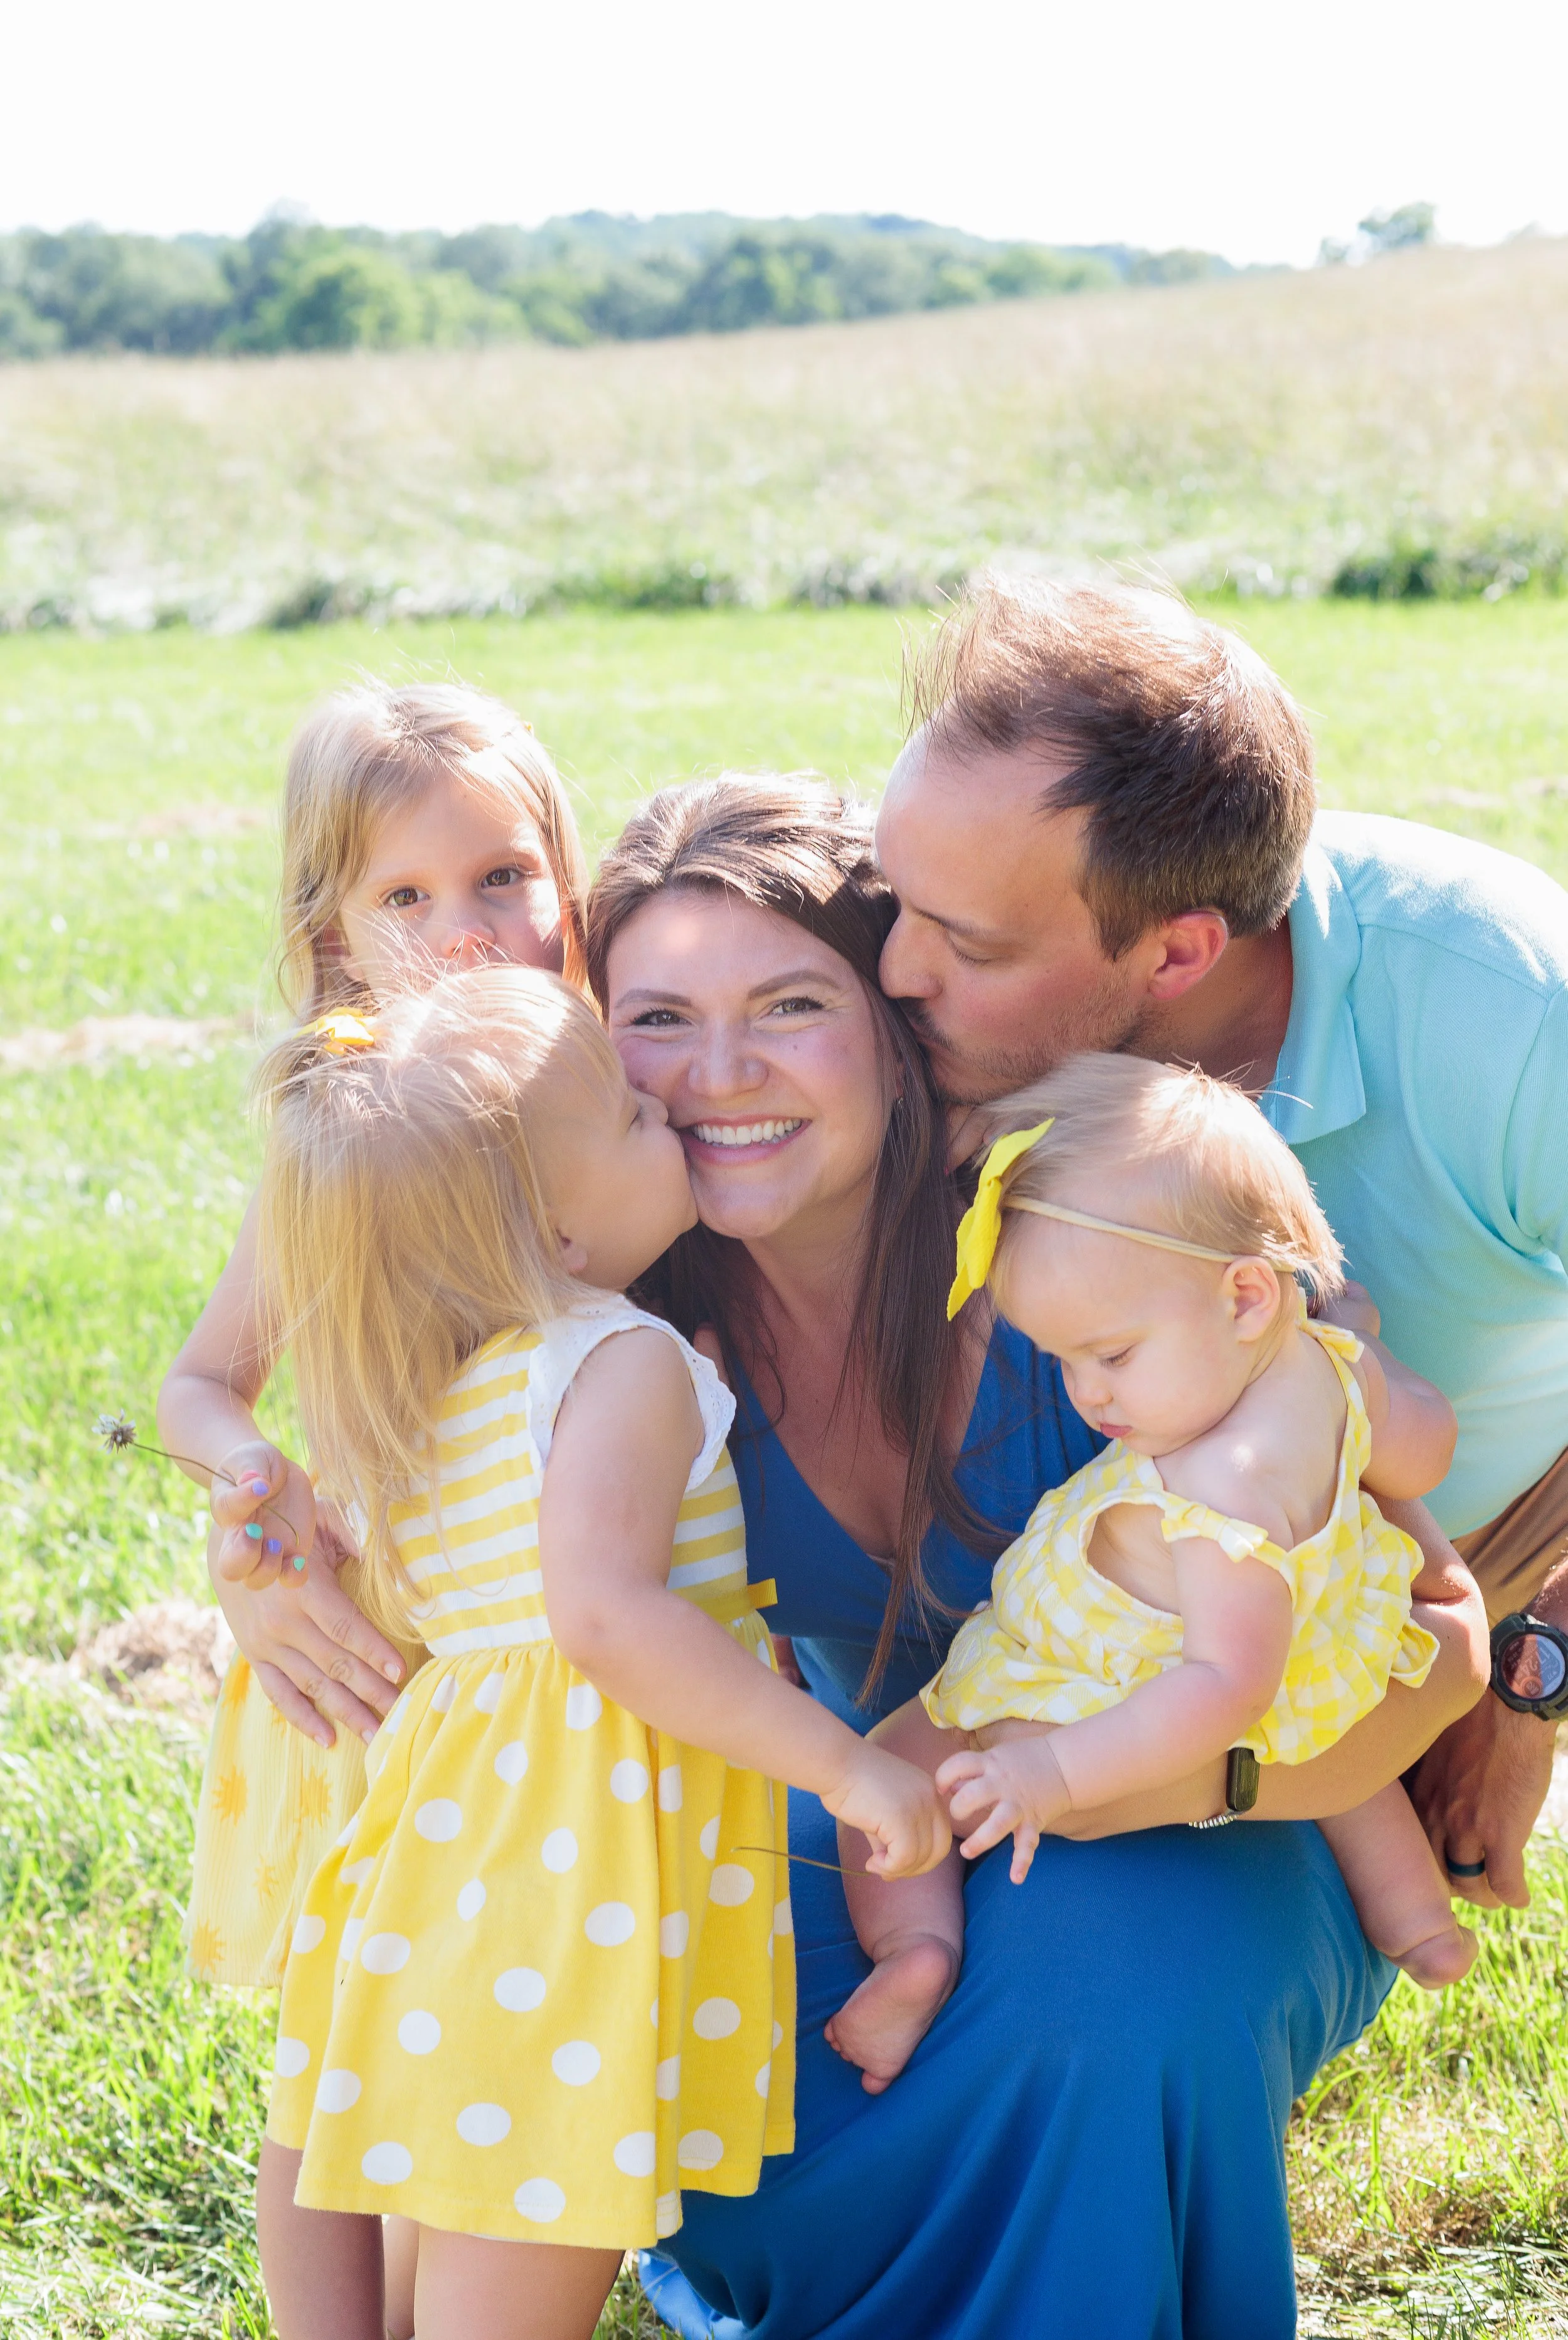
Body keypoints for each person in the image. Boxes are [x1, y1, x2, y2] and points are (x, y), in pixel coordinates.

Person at [583, 774, 1485, 2340]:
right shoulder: (629, 1339)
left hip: (1223, 1812)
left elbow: (1443, 1639)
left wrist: (1185, 1778)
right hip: (894, 1801)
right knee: (700, 2007)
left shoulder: (1103, 1248)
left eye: (789, 1003)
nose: (715, 1076)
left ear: (890, 1020)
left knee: (1100, 1990)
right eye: (655, 1019)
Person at [241, 968, 944, 2340]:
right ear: (559, 1234)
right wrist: (848, 1771)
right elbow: (609, 1619)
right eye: (631, 1117)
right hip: (564, 1886)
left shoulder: (433, 1385)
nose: (667, 1116)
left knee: (431, 2198)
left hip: (445, 1867)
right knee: (524, 2216)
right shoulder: (613, 1358)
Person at [876, 576, 1568, 1913]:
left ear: (1179, 954)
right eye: (890, 898)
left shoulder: (1509, 1019)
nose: (894, 970)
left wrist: (1532, 1669)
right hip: (1092, 1572)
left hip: (1438, 1529)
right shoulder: (944, 943)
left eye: (960, 942)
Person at [832, 1054, 1475, 2099]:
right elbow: (1424, 1447)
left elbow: (1225, 1690)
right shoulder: (1329, 1362)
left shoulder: (1220, 1491)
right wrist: (1366, 1371)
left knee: (895, 1763)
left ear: (1245, 1295)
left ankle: (915, 1947)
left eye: (1114, 1356)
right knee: (1334, 1738)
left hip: (1139, 1672)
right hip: (1320, 1643)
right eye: (1064, 1361)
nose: (1088, 1394)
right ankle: (1414, 1917)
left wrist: (1051, 1774)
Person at [160, 678, 590, 1988]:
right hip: (388, 1649)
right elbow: (199, 1382)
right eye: (404, 899)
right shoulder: (352, 1143)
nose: (464, 936)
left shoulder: (610, 1107)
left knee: (512, 2002)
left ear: (569, 878)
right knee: (364, 2018)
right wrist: (253, 1487)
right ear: (335, 935)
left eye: (504, 877)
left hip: (566, 1654)